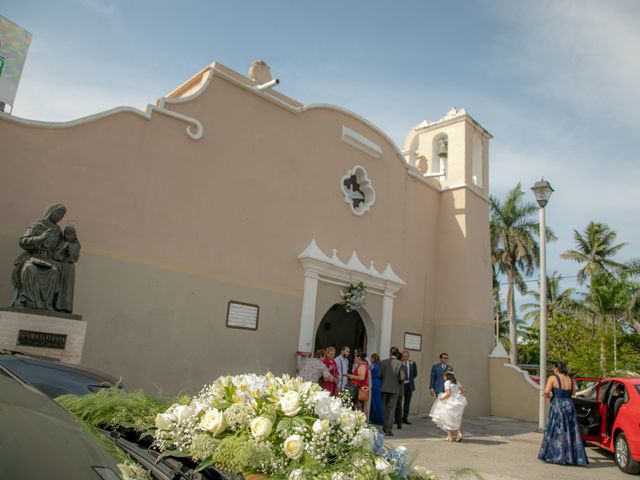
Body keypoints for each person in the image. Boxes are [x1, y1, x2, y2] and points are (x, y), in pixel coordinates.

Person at [11, 204, 67, 311]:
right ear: (51, 211)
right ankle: (27, 300)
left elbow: (58, 249)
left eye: (62, 215)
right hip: (33, 257)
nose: (60, 217)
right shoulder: (37, 225)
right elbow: (23, 241)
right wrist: (40, 238)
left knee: (54, 271)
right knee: (29, 269)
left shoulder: (57, 230)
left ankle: (47, 304)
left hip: (48, 259)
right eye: (59, 213)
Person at [538, 361, 588, 465]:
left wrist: (548, 396)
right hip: (569, 404)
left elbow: (546, 391)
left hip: (558, 405)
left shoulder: (553, 378)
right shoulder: (571, 379)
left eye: (554, 368)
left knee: (555, 429)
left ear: (557, 369)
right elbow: (573, 393)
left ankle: (556, 455)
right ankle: (571, 457)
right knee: (570, 429)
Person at [429, 371, 467, 442]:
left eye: (444, 376)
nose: (444, 377)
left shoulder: (447, 383)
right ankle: (459, 433)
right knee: (457, 418)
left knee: (447, 418)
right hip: (458, 402)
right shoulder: (456, 382)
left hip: (450, 402)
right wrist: (457, 394)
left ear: (447, 376)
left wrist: (441, 398)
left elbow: (448, 393)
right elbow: (463, 390)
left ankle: (449, 436)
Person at [53, 225, 81, 313]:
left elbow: (75, 258)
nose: (68, 236)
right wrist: (63, 249)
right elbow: (56, 256)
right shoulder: (61, 243)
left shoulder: (76, 245)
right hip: (60, 266)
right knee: (58, 285)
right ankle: (56, 305)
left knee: (67, 287)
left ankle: (66, 307)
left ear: (74, 235)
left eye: (71, 234)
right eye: (66, 234)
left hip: (69, 267)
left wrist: (70, 252)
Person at [380, 346, 403, 436]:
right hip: (394, 388)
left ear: (390, 353)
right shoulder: (399, 363)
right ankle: (388, 429)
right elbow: (402, 377)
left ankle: (385, 426)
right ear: (397, 354)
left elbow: (380, 375)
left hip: (385, 388)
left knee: (385, 408)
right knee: (391, 409)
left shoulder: (384, 362)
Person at [400, 350, 418, 424]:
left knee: (407, 402)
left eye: (406, 356)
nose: (405, 358)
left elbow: (415, 374)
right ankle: (397, 418)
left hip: (409, 385)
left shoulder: (412, 364)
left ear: (408, 356)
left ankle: (405, 418)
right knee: (399, 402)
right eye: (404, 356)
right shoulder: (399, 363)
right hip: (401, 385)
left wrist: (409, 380)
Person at [368, 353, 383, 426]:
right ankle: (380, 419)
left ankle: (374, 419)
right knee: (379, 403)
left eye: (371, 358)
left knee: (373, 403)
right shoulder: (380, 365)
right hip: (379, 384)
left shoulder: (372, 365)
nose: (370, 360)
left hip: (373, 385)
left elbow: (368, 372)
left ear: (373, 359)